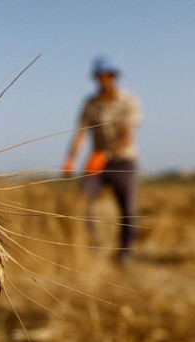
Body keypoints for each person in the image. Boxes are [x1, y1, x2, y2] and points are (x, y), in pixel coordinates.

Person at [62, 57, 143, 264]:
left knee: (128, 211)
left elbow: (127, 137)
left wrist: (104, 154)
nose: (103, 80)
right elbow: (80, 133)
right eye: (99, 76)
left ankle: (124, 254)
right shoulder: (90, 103)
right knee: (80, 202)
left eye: (107, 76)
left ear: (114, 76)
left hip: (123, 162)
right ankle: (93, 245)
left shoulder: (128, 100)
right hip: (97, 164)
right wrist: (70, 159)